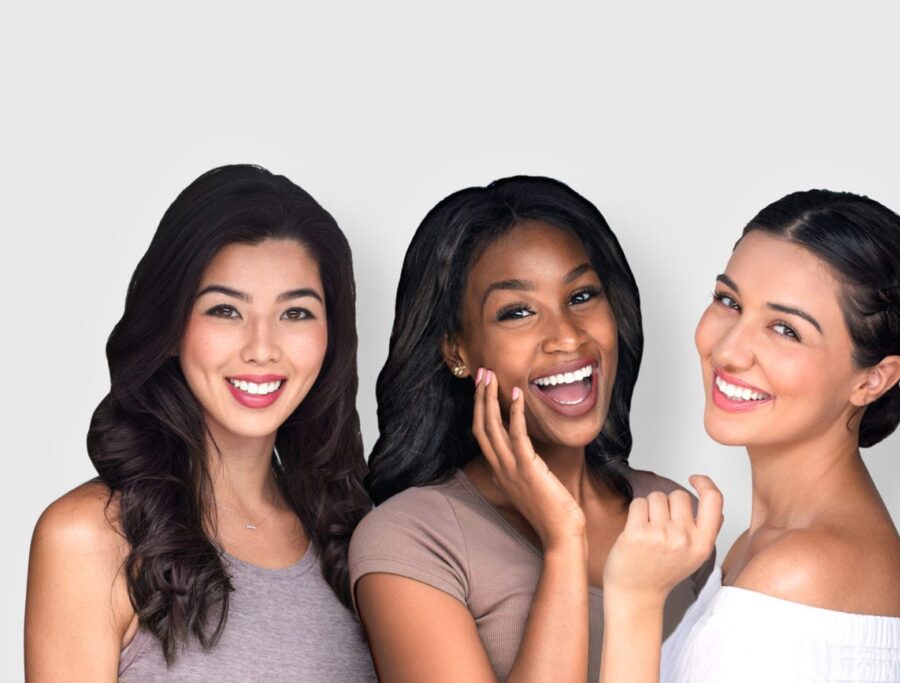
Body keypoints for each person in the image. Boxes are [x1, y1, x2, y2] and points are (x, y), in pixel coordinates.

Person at [348, 175, 721, 683]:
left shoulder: (671, 519)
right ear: (456, 351)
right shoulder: (412, 541)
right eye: (517, 312)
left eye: (583, 295)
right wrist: (564, 543)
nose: (567, 336)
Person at [25, 165, 377, 681]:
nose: (262, 348)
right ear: (170, 328)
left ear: (332, 335)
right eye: (225, 311)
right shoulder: (91, 537)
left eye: (296, 313)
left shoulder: (356, 535)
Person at [600, 189, 900, 682]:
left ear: (873, 379)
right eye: (729, 301)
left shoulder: (802, 571)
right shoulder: (762, 546)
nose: (730, 350)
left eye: (785, 329)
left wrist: (634, 600)